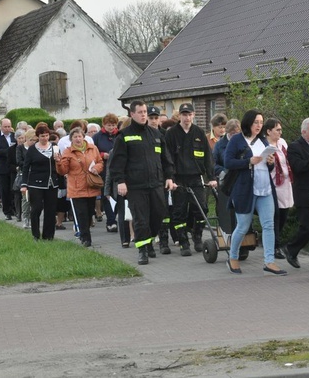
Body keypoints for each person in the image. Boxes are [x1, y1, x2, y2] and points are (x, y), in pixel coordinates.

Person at [108, 100, 176, 265]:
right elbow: (116, 163)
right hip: (135, 186)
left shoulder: (157, 135)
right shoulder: (124, 135)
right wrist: (120, 182)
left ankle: (149, 239)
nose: (144, 114)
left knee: (158, 215)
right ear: (132, 114)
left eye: (145, 111)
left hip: (156, 184)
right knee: (140, 219)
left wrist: (169, 177)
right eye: (140, 112)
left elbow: (166, 159)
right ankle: (143, 250)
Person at [224, 109, 286, 276]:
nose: (259, 125)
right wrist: (248, 161)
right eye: (256, 122)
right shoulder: (237, 140)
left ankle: (269, 261)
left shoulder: (263, 141)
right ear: (248, 123)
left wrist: (271, 162)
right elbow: (228, 162)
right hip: (245, 190)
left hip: (265, 188)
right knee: (243, 226)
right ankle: (233, 257)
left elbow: (268, 166)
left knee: (269, 225)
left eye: (261, 122)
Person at [165, 102, 217, 256]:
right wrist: (170, 178)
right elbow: (167, 158)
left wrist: (212, 177)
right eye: (184, 114)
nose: (187, 117)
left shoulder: (199, 133)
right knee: (179, 212)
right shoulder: (172, 134)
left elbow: (208, 157)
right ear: (179, 116)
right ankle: (183, 242)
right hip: (179, 179)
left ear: (193, 115)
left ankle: (198, 236)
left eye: (189, 114)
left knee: (201, 209)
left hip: (196, 178)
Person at [280, 117, 309, 269]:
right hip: (304, 193)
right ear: (304, 132)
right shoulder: (294, 147)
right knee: (308, 227)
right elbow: (298, 167)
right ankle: (291, 248)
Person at [56, 127, 103, 247]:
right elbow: (63, 171)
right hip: (77, 187)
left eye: (80, 136)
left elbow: (100, 162)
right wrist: (58, 162)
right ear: (71, 138)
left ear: (84, 137)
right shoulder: (68, 151)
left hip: (91, 185)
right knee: (81, 213)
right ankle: (86, 238)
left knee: (89, 212)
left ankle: (84, 232)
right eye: (75, 137)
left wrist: (96, 168)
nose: (78, 139)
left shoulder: (93, 148)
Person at [20, 122, 61, 240]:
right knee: (36, 208)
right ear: (38, 136)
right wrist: (24, 184)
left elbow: (60, 164)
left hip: (51, 183)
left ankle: (48, 236)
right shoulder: (32, 149)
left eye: (47, 135)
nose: (45, 138)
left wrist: (58, 161)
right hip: (35, 183)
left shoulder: (54, 147)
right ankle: (35, 234)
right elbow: (26, 167)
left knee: (50, 210)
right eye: (42, 136)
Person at [264, 118, 293, 259]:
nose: (280, 132)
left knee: (284, 214)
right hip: (273, 184)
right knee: (275, 215)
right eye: (277, 130)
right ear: (268, 131)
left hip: (285, 184)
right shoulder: (264, 145)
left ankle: (276, 241)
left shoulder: (282, 143)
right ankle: (274, 246)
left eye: (281, 129)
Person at [92, 113, 120, 233]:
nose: (111, 127)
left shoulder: (119, 135)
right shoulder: (97, 137)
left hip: (117, 169)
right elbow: (93, 152)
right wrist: (103, 155)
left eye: (113, 125)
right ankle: (111, 221)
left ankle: (114, 215)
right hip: (103, 170)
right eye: (109, 125)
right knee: (106, 195)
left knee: (118, 195)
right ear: (104, 125)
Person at [0, 118, 17, 220]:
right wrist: (8, 152)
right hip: (1, 167)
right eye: (5, 127)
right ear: (0, 127)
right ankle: (7, 211)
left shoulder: (14, 136)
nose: (7, 129)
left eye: (9, 126)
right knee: (4, 190)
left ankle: (15, 209)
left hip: (13, 166)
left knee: (13, 189)